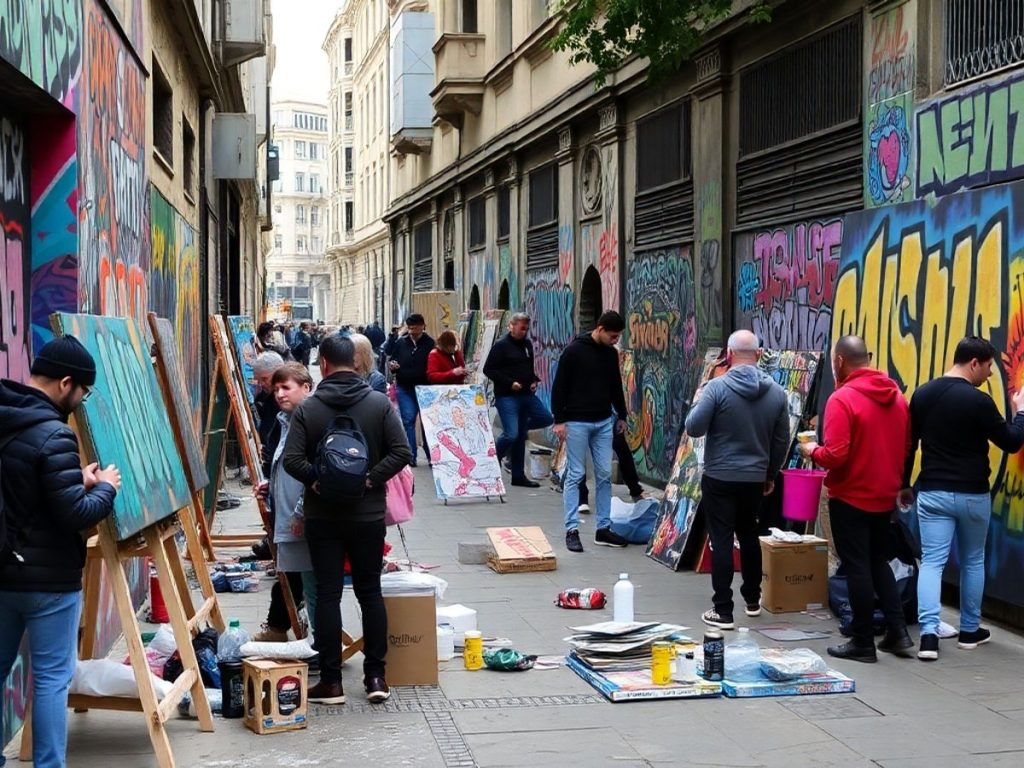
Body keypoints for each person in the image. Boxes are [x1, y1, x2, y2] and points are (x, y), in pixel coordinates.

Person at [0, 337, 122, 766]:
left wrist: (77, 480)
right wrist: (104, 487)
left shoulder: (9, 419)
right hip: (49, 581)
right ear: (65, 383)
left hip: (4, 574)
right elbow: (74, 514)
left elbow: (27, 491)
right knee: (51, 679)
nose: (81, 401)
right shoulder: (55, 434)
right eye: (82, 393)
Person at [283, 335, 411, 705]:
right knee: (370, 592)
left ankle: (333, 682)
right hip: (368, 514)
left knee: (327, 594)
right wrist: (369, 479)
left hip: (323, 516)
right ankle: (376, 678)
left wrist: (318, 481)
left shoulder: (309, 409)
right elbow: (401, 451)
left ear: (322, 363)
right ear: (355, 363)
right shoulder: (377, 404)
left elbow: (292, 460)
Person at [901, 336, 1024, 662]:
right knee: (972, 561)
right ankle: (970, 631)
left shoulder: (923, 394)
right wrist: (1021, 412)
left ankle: (928, 636)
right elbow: (1011, 441)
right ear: (974, 363)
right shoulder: (979, 402)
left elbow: (909, 445)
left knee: (932, 562)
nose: (988, 375)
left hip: (933, 494)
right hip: (972, 495)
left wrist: (903, 484)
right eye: (987, 368)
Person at [798, 335, 913, 662]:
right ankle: (898, 632)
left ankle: (863, 640)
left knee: (858, 565)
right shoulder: (896, 396)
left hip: (850, 496)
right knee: (879, 562)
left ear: (838, 362)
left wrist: (811, 450)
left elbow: (835, 454)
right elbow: (905, 448)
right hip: (884, 495)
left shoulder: (842, 399)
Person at [685, 330, 790, 630]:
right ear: (758, 355)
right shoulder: (776, 393)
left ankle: (723, 610)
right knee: (748, 534)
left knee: (721, 539)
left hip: (720, 475)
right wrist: (769, 474)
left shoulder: (717, 388)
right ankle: (753, 599)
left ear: (729, 355)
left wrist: (701, 399)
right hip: (754, 477)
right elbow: (780, 440)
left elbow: (694, 428)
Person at [551, 311, 631, 552]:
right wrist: (559, 420)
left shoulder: (610, 354)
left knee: (605, 474)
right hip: (576, 422)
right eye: (613, 336)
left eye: (618, 336)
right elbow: (559, 386)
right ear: (600, 328)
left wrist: (622, 414)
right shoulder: (574, 351)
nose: (615, 340)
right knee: (576, 474)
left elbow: (615, 384)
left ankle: (603, 528)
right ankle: (571, 530)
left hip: (603, 421)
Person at [254, 364, 317, 643]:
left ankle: (317, 642)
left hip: (301, 517)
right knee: (291, 574)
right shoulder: (284, 421)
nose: (279, 393)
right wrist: (272, 483)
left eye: (286, 387)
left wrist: (301, 511)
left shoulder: (310, 421)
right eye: (276, 388)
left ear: (306, 388)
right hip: (288, 514)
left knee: (309, 583)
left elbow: (313, 471)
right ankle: (286, 629)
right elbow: (285, 465)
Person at [483, 313, 553, 489]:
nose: (525, 332)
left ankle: (518, 475)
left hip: (526, 395)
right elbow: (489, 369)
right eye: (522, 328)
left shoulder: (527, 345)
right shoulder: (501, 346)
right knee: (512, 434)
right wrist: (509, 383)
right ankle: (491, 462)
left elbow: (527, 369)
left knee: (546, 418)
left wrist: (533, 381)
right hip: (507, 397)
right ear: (511, 326)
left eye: (527, 328)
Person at [388, 314, 435, 466]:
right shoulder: (401, 342)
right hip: (405, 387)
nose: (411, 330)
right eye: (409, 327)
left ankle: (431, 456)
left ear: (422, 326)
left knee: (427, 423)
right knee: (408, 421)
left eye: (414, 327)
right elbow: (393, 359)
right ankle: (411, 456)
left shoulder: (430, 344)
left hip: (425, 389)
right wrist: (393, 366)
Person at [253, 352, 286, 477]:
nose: (261, 384)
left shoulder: (285, 399)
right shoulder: (268, 397)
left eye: (264, 379)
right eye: (259, 380)